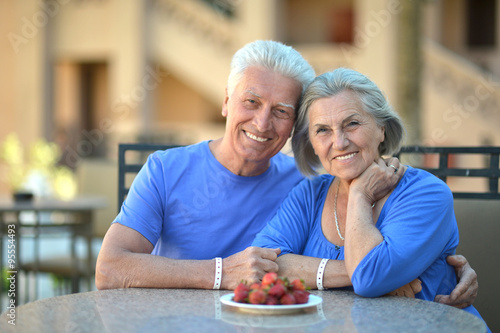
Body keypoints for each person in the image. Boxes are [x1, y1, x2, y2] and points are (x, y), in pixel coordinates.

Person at [96, 41, 477, 307]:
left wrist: (433, 266)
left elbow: (273, 267)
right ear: (226, 102)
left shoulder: (303, 179)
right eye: (251, 101)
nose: (262, 122)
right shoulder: (166, 169)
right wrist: (222, 273)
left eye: (281, 111)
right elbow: (111, 268)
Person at [251, 67, 488, 328]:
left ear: (381, 128)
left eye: (351, 123)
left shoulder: (426, 193)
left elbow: (369, 278)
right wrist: (352, 272)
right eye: (322, 130)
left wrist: (360, 196)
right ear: (312, 143)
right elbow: (262, 264)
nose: (339, 142)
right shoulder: (310, 193)